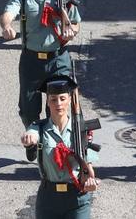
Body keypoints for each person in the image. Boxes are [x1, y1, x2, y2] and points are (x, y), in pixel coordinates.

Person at [1, 0, 81, 137]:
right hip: (32, 60)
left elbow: (76, 23)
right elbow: (8, 13)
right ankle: (34, 135)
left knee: (57, 107)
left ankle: (49, 144)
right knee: (28, 110)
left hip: (58, 59)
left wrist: (71, 32)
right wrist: (6, 26)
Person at [20, 74, 98, 217]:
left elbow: (89, 167)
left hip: (77, 199)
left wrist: (90, 181)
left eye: (62, 99)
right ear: (48, 103)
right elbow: (32, 134)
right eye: (53, 100)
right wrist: (29, 139)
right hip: (48, 199)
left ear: (69, 100)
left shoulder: (81, 130)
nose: (58, 104)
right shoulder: (39, 127)